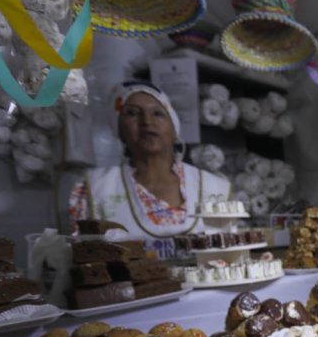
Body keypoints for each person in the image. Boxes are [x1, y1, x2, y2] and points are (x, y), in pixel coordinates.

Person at [68, 80, 231, 259]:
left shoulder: (214, 188)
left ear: (174, 128)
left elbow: (233, 258)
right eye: (132, 113)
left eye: (158, 114)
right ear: (119, 129)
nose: (147, 122)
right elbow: (82, 262)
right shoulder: (95, 188)